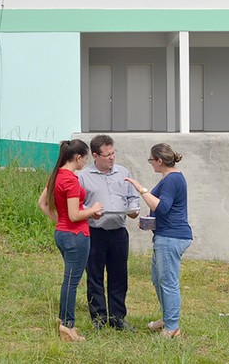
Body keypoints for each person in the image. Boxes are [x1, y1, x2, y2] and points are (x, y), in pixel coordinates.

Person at [38, 139, 103, 342]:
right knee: (71, 282)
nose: (85, 163)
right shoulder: (71, 180)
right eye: (85, 158)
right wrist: (92, 210)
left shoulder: (57, 175)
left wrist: (60, 222)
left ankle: (63, 320)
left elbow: (42, 204)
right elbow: (75, 215)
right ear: (77, 157)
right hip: (77, 236)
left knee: (68, 280)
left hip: (62, 233)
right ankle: (68, 326)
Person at [125, 143, 193, 339]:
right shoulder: (171, 178)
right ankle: (166, 318)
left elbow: (162, 207)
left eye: (151, 160)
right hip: (164, 234)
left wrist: (141, 189)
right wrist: (150, 222)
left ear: (159, 161)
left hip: (172, 237)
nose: (151, 163)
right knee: (158, 279)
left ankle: (172, 327)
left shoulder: (172, 180)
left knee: (168, 282)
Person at [78, 134, 140, 331]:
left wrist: (133, 209)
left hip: (119, 233)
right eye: (107, 155)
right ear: (96, 156)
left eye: (113, 153)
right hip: (95, 233)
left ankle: (118, 318)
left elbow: (132, 197)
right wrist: (90, 214)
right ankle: (98, 318)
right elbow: (78, 205)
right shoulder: (83, 177)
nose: (112, 158)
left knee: (119, 276)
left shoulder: (123, 172)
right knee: (95, 276)